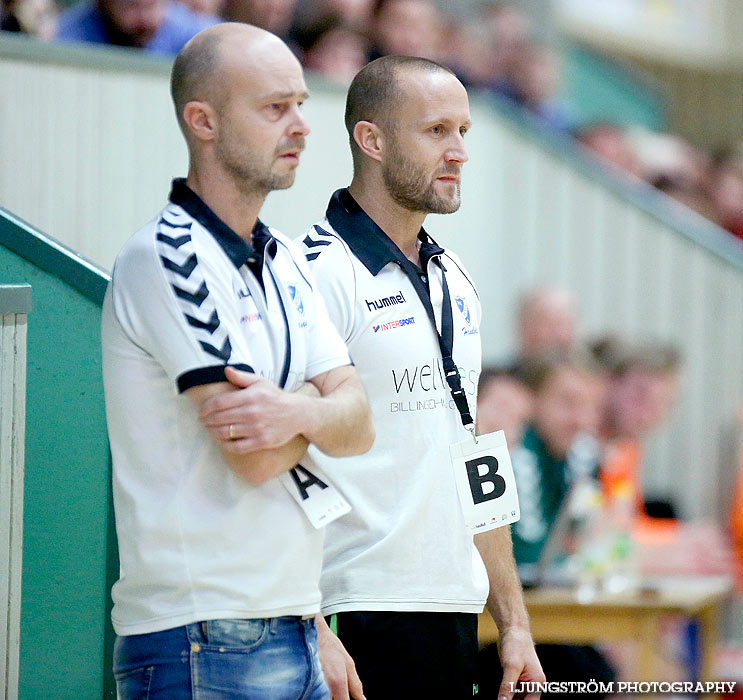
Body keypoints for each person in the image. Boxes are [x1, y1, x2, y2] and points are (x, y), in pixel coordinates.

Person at [101, 23, 374, 699]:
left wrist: (292, 413)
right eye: (275, 108)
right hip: (202, 637)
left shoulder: (280, 255)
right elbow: (253, 455)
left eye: (302, 104)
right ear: (204, 122)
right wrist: (322, 412)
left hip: (292, 620)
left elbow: (363, 421)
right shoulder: (166, 259)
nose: (303, 127)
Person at [298, 55, 544, 700]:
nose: (459, 151)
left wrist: (513, 622)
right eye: (436, 131)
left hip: (453, 612)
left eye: (464, 131)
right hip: (352, 611)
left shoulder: (455, 277)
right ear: (371, 140)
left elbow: (472, 451)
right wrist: (309, 623)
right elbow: (277, 461)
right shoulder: (313, 274)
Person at [479, 348, 613, 700]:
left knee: (598, 669)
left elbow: (585, 539)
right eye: (569, 403)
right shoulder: (518, 449)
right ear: (534, 402)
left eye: (591, 406)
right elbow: (524, 549)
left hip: (533, 613)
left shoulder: (568, 456)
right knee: (585, 672)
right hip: (493, 623)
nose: (582, 420)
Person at [56, 0, 219, 54]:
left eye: (152, 5)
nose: (146, 19)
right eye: (132, 6)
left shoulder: (191, 34)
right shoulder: (69, 41)